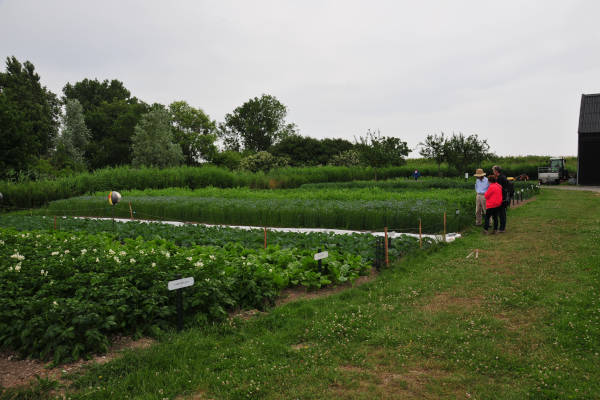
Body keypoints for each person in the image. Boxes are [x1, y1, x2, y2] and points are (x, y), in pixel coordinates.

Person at [492, 165, 509, 233]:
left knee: (501, 214)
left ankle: (502, 229)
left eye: (493, 170)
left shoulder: (500, 178)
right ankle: (502, 228)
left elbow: (499, 189)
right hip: (504, 197)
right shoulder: (503, 176)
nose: (493, 172)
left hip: (501, 198)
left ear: (496, 171)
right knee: (502, 213)